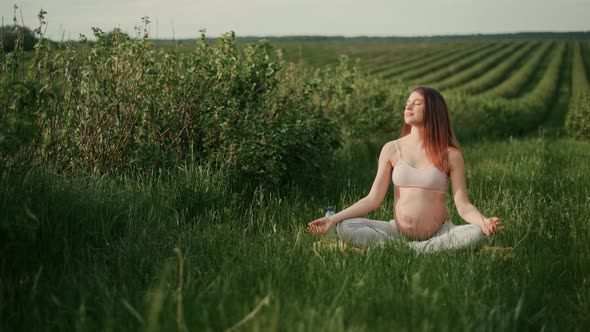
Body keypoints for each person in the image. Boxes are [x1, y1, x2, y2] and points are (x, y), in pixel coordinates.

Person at [307, 86, 500, 252]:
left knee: (476, 233)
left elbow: (463, 206)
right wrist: (333, 220)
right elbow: (373, 199)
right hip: (396, 232)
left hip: (440, 233)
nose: (408, 106)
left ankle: (405, 251)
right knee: (346, 227)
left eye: (417, 103)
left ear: (434, 109)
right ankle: (418, 250)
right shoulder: (392, 149)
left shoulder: (451, 155)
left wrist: (483, 222)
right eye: (408, 102)